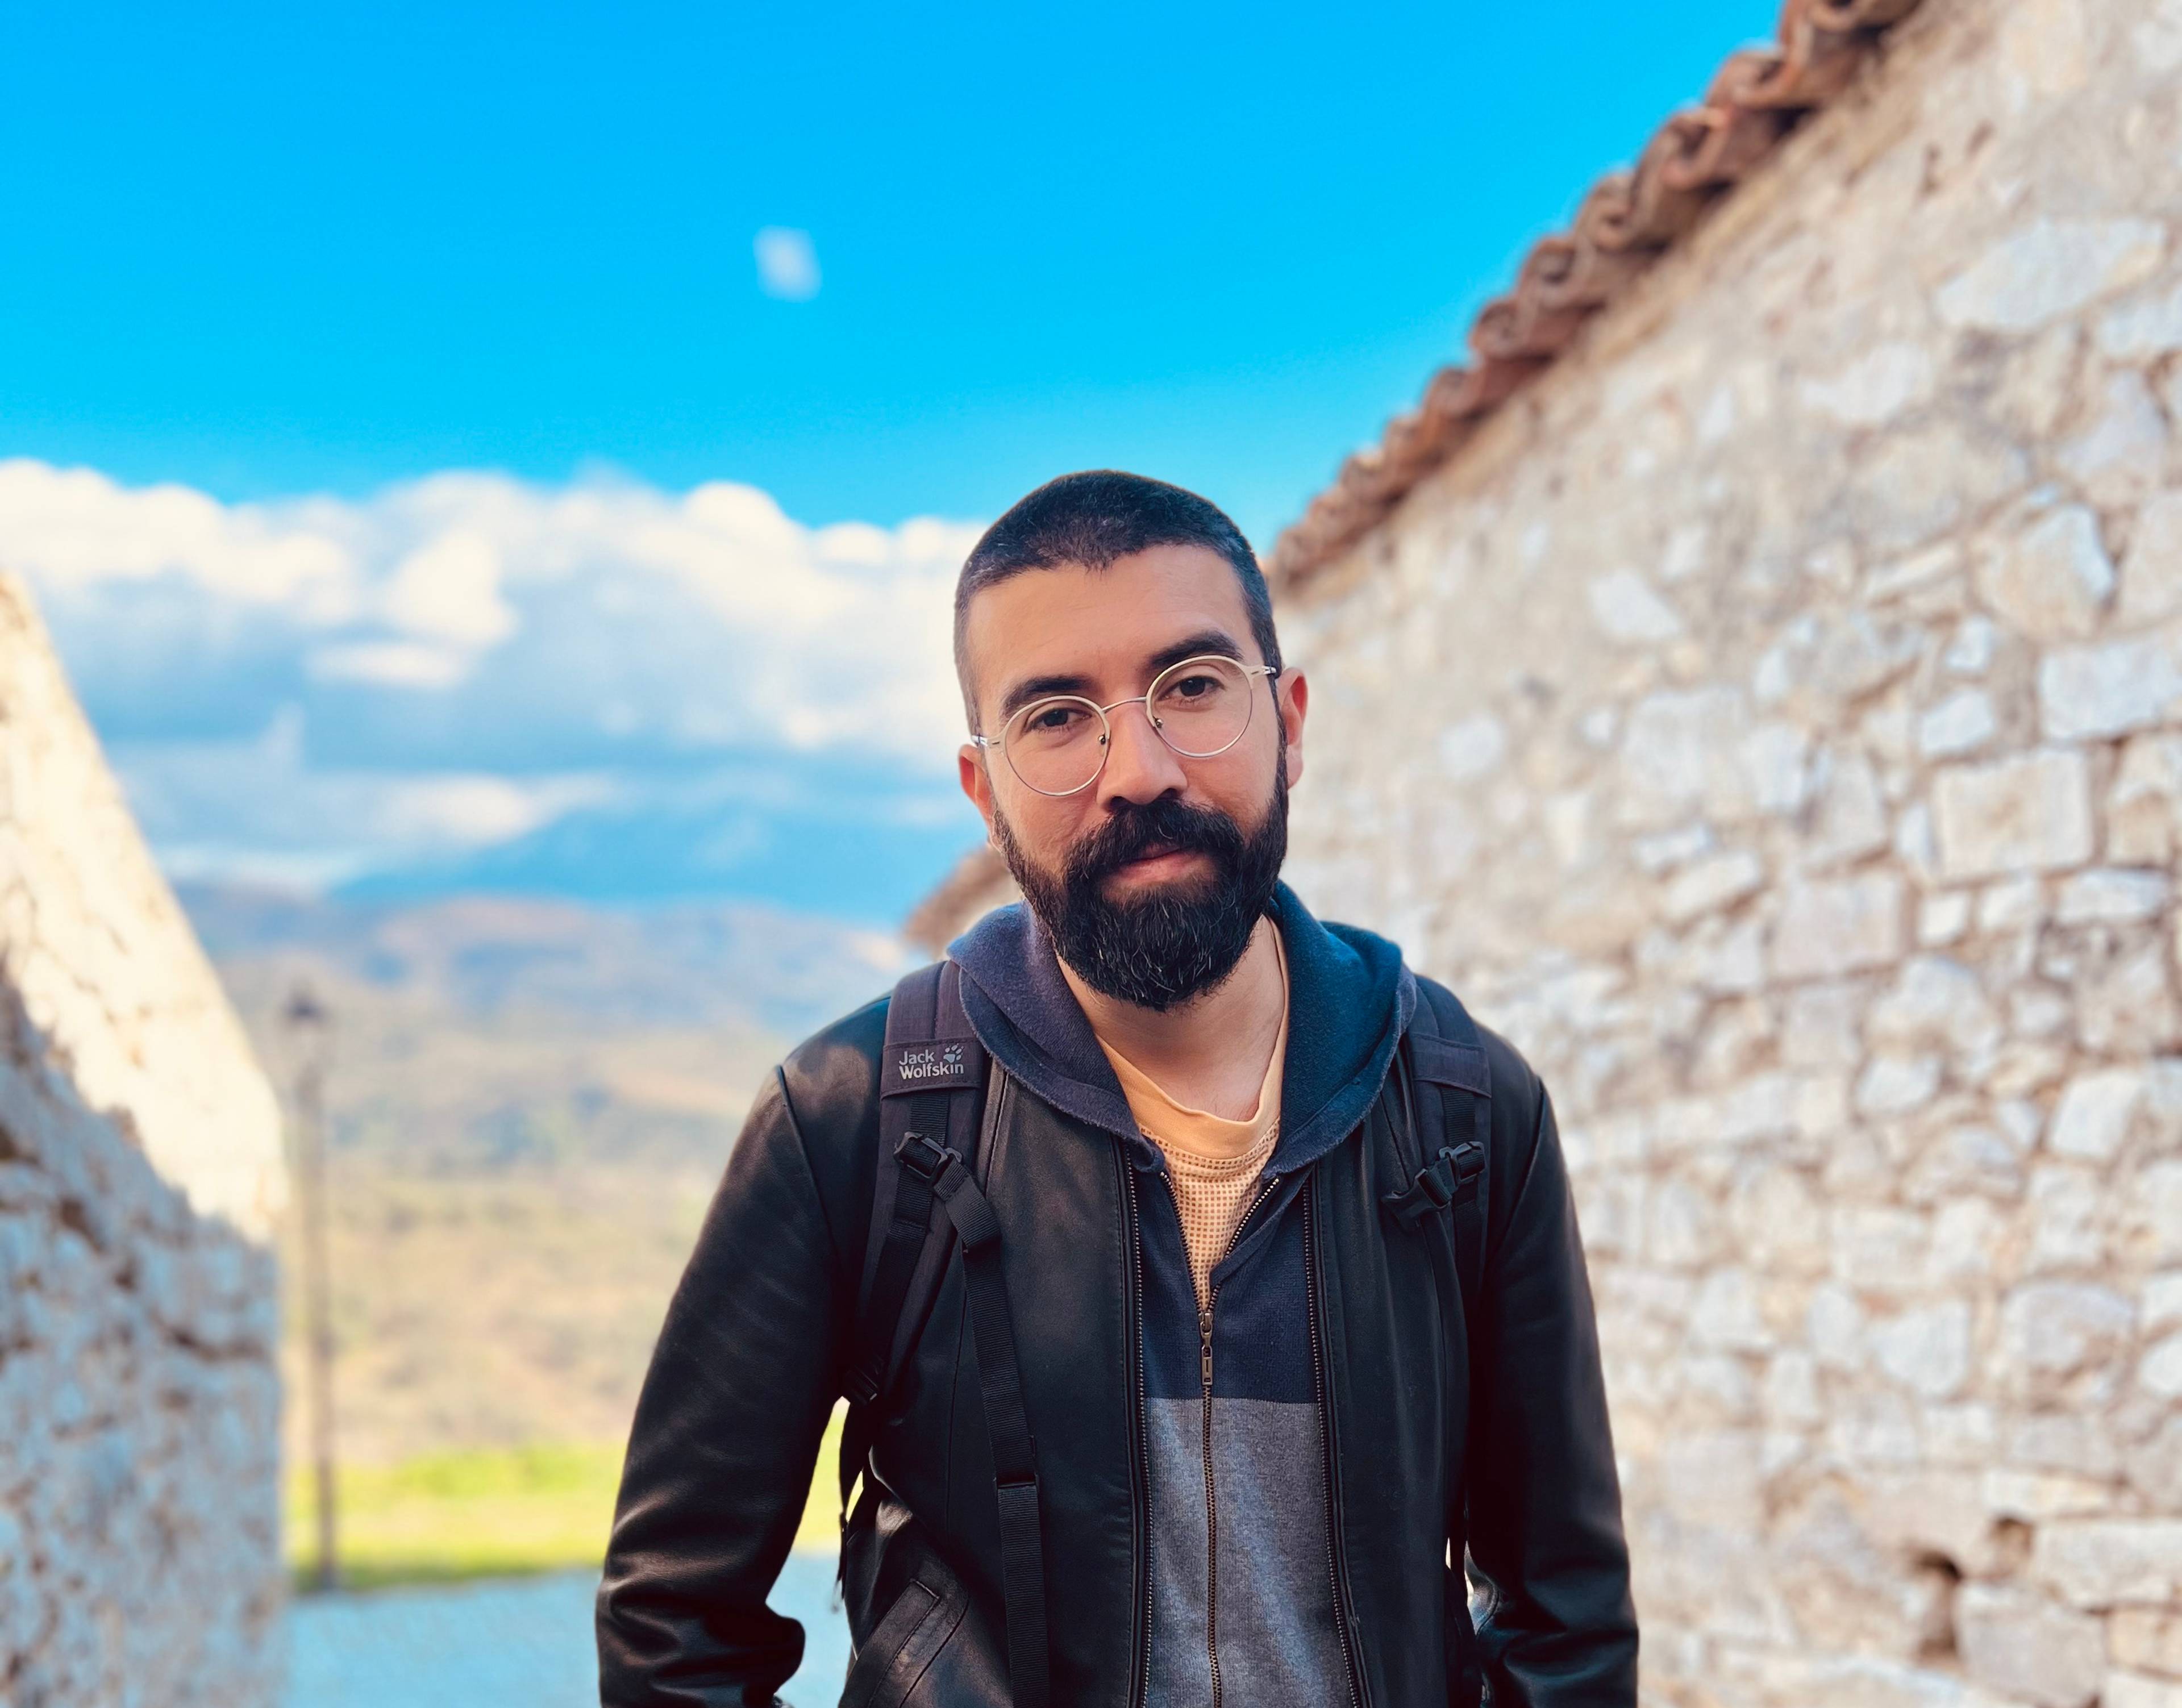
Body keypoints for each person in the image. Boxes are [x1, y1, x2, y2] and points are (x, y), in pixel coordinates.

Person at [596, 471, 1637, 1707]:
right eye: (1056, 716)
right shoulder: (854, 1117)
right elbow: (674, 1628)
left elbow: (1568, 1625)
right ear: (984, 792)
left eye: (1191, 687)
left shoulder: (1468, 1112)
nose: (1137, 769)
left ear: (1289, 721)